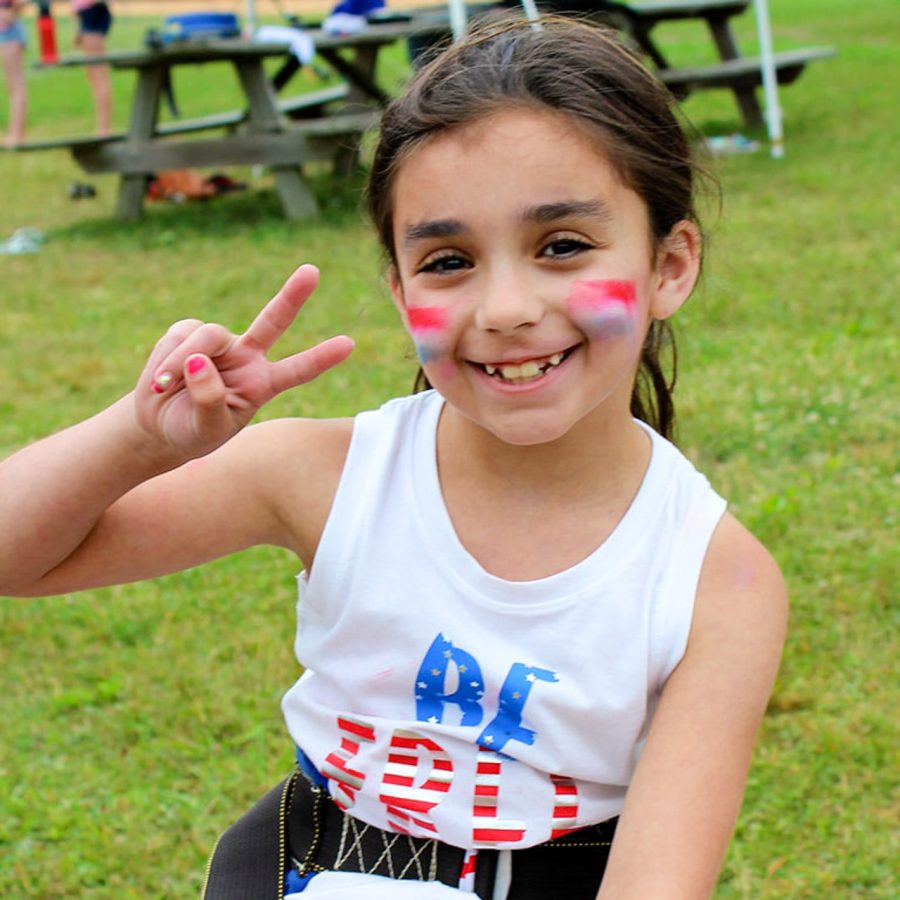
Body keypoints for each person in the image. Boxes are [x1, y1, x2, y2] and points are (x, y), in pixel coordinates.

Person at [0, 17, 787, 900]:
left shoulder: (718, 585)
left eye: (561, 245)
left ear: (669, 265)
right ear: (400, 289)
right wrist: (135, 440)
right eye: (448, 260)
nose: (506, 307)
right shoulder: (327, 475)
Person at [71, 0, 112, 134]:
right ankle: (102, 127)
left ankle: (104, 129)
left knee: (98, 74)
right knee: (93, 75)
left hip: (92, 13)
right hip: (87, 15)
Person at [0, 0, 26, 147]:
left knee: (16, 87)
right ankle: (14, 133)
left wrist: (9, 14)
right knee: (11, 87)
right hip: (4, 33)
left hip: (11, 34)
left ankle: (17, 135)